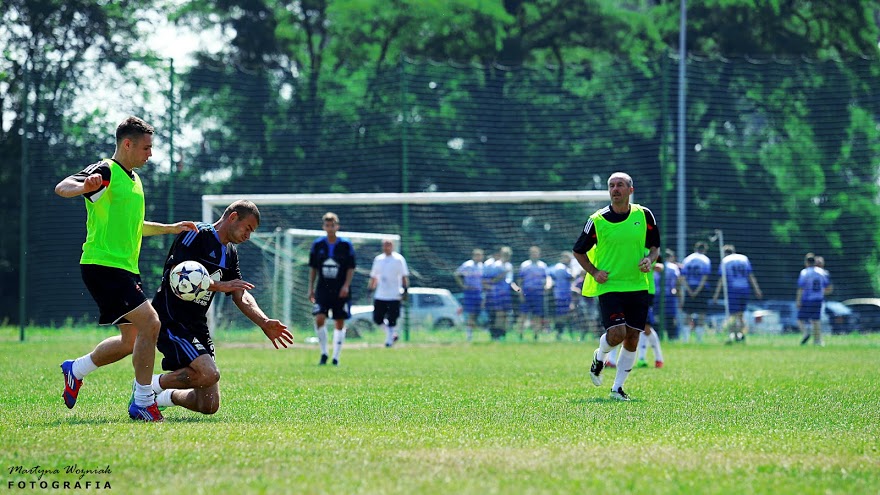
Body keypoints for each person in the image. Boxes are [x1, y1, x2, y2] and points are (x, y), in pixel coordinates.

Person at [54, 116, 197, 422]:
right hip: (103, 265)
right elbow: (63, 186)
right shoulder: (106, 170)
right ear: (127, 144)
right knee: (152, 323)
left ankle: (75, 370)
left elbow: (135, 227)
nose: (150, 154)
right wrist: (83, 186)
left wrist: (170, 229)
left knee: (130, 341)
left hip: (123, 269)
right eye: (146, 147)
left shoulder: (133, 179)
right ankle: (144, 400)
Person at [151, 200, 293, 414]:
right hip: (172, 320)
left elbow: (240, 294)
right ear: (233, 217)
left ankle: (163, 397)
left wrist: (263, 322)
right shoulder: (196, 234)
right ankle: (147, 387)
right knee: (209, 373)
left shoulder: (230, 253)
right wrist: (218, 285)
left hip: (197, 325)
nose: (249, 235)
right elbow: (176, 275)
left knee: (208, 405)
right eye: (248, 228)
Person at [573, 172, 660, 401]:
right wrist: (594, 272)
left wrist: (649, 260)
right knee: (617, 334)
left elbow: (655, 248)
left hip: (637, 285)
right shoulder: (597, 220)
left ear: (630, 190)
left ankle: (617, 388)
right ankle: (599, 356)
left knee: (633, 337)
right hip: (610, 285)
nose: (615, 189)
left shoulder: (645, 215)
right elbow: (578, 251)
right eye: (611, 185)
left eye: (620, 185)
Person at [308, 212, 356, 365]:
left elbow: (350, 267)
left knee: (339, 321)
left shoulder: (345, 245)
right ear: (324, 227)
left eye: (333, 225)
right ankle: (324, 353)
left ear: (337, 226)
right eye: (327, 225)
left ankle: (336, 356)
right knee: (320, 317)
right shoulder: (318, 245)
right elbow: (313, 268)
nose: (330, 228)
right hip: (323, 288)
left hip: (340, 288)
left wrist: (346, 286)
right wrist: (311, 288)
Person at [712, 244, 763, 344]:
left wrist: (716, 295)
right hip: (744, 289)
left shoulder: (725, 261)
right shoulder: (744, 259)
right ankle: (741, 334)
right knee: (741, 315)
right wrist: (757, 289)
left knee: (733, 315)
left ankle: (734, 335)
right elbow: (750, 276)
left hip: (733, 290)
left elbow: (721, 279)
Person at [369, 238, 410, 347]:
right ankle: (391, 335)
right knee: (377, 318)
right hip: (381, 294)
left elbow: (404, 276)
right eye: (385, 245)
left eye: (389, 245)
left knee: (392, 319)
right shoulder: (378, 259)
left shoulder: (398, 259)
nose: (387, 247)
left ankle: (389, 341)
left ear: (393, 246)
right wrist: (370, 289)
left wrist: (405, 290)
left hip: (394, 294)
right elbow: (374, 276)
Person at [796, 252, 832, 346]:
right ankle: (818, 341)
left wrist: (798, 300)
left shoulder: (804, 272)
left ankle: (805, 333)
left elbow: (801, 287)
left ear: (806, 262)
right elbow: (828, 287)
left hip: (807, 299)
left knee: (800, 319)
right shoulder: (821, 272)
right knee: (816, 320)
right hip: (818, 299)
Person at [516, 246, 551, 341]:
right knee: (523, 314)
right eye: (533, 253)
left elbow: (547, 278)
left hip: (538, 293)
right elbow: (519, 281)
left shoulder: (543, 265)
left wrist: (547, 286)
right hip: (526, 293)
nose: (534, 254)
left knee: (537, 315)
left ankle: (536, 335)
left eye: (536, 253)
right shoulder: (525, 265)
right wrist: (520, 293)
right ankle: (520, 334)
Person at [484, 246, 518, 340]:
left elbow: (510, 282)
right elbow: (492, 280)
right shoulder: (496, 265)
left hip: (506, 293)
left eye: (509, 255)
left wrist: (518, 290)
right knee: (499, 314)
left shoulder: (509, 266)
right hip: (496, 293)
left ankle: (503, 334)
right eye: (505, 254)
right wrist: (502, 274)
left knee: (506, 314)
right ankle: (496, 335)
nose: (507, 256)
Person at [681, 241, 712, 343]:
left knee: (687, 314)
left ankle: (686, 339)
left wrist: (689, 290)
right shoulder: (705, 260)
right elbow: (704, 277)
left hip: (689, 288)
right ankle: (699, 339)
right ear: (705, 250)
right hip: (701, 290)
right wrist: (697, 291)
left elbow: (683, 277)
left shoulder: (687, 259)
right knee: (701, 314)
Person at [637, 261, 665, 368]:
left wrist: (655, 266)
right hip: (629, 289)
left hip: (647, 291)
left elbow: (660, 265)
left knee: (646, 326)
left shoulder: (651, 247)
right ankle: (610, 360)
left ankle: (657, 358)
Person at [454, 248, 484, 342]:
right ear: (473, 256)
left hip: (479, 292)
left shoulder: (482, 266)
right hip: (470, 292)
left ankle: (472, 329)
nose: (479, 257)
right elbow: (456, 274)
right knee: (471, 313)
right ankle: (469, 335)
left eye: (480, 255)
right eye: (477, 255)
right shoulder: (467, 265)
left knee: (477, 313)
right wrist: (463, 286)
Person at [548, 252, 575, 340]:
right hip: (561, 296)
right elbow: (572, 276)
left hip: (567, 295)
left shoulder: (565, 267)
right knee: (562, 315)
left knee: (566, 315)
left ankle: (562, 332)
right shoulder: (560, 267)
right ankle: (559, 332)